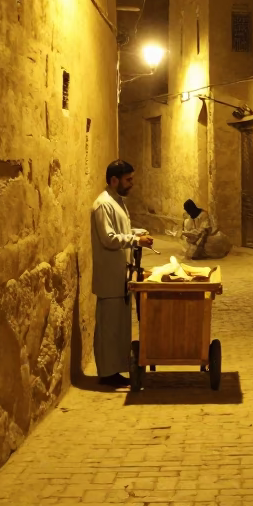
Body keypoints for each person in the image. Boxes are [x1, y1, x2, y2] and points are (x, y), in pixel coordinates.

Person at [91, 159, 153, 387]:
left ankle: (115, 370)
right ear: (114, 180)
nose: (131, 184)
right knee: (108, 327)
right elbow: (108, 238)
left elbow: (120, 231)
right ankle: (106, 374)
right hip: (109, 277)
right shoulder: (103, 205)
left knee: (118, 327)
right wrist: (136, 239)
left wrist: (136, 232)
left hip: (120, 276)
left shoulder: (116, 202)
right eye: (128, 180)